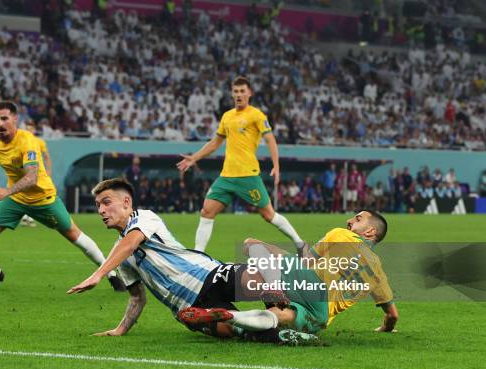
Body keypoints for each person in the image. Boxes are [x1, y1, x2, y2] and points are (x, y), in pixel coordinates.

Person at [67, 178, 284, 338]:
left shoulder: (145, 217)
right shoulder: (119, 255)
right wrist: (120, 330)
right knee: (243, 333)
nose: (101, 210)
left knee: (256, 281)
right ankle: (284, 332)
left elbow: (131, 242)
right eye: (97, 205)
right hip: (188, 309)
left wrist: (98, 274)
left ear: (126, 202)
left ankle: (290, 307)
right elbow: (137, 298)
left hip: (208, 275)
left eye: (106, 202)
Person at [0, 101, 124, 291]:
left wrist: (6, 191)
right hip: (15, 199)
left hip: (43, 199)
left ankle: (110, 274)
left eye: (4, 118)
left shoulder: (27, 141)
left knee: (74, 235)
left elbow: (32, 178)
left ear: (14, 119)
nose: (0, 123)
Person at [180, 210, 399, 343]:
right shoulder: (378, 273)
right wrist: (384, 328)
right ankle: (231, 317)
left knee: (252, 245)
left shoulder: (341, 234)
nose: (350, 220)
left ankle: (270, 289)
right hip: (320, 317)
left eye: (358, 219)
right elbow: (392, 316)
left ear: (370, 232)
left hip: (308, 284)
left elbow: (305, 262)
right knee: (279, 316)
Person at [177, 76, 303, 253]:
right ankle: (199, 255)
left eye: (242, 91)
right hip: (227, 176)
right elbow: (214, 143)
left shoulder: (257, 115)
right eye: (236, 91)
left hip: (248, 175)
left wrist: (276, 165)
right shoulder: (227, 116)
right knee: (207, 212)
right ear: (232, 93)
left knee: (269, 215)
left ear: (249, 93)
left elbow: (270, 140)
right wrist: (194, 158)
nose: (238, 94)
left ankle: (299, 243)